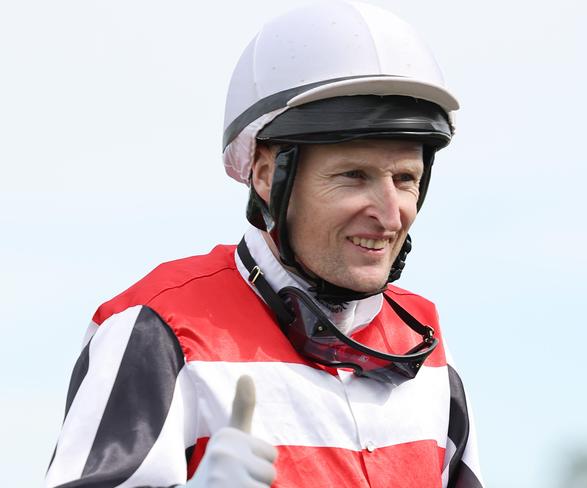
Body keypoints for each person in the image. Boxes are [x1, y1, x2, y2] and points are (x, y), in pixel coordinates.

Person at [46, 1, 483, 487]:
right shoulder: (155, 327)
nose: (388, 212)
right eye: (353, 176)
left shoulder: (425, 340)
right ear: (266, 174)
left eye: (404, 178)